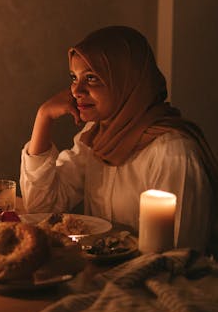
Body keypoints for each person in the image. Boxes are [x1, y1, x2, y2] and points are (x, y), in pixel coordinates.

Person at [20, 25, 218, 254]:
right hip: (103, 275)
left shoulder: (172, 152)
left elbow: (181, 254)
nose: (76, 90)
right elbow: (41, 206)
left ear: (126, 83)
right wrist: (43, 117)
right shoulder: (97, 136)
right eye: (74, 77)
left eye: (92, 78)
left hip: (150, 283)